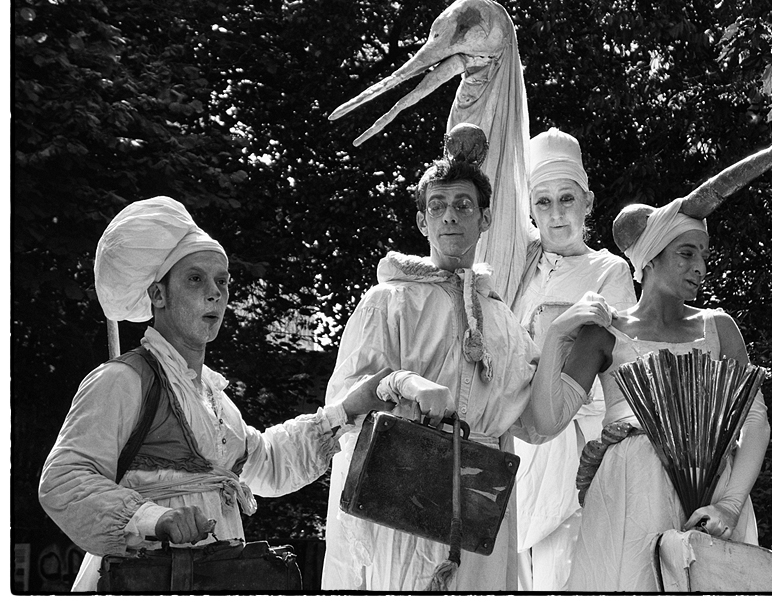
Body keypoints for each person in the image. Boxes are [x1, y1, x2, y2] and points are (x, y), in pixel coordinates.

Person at [37, 196, 409, 592]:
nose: (215, 293)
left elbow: (266, 462)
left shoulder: (214, 399)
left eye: (223, 280)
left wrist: (350, 408)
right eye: (195, 278)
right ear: (158, 295)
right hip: (144, 584)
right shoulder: (124, 380)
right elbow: (63, 480)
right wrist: (154, 519)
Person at [319, 147, 610, 592]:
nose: (450, 217)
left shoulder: (502, 321)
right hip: (402, 502)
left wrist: (560, 338)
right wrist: (407, 389)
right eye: (438, 207)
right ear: (423, 223)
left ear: (485, 219)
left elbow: (537, 423)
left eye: (462, 205)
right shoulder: (388, 302)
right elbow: (347, 402)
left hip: (479, 506)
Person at [529, 197, 771, 591]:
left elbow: (756, 423)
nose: (700, 267)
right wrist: (558, 332)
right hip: (629, 495)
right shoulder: (605, 331)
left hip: (712, 495)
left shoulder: (719, 328)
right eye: (686, 253)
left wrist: (730, 503)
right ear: (650, 259)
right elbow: (546, 422)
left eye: (705, 256)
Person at [509, 128, 636, 591]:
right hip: (516, 448)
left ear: (589, 201)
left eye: (567, 199)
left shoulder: (610, 271)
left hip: (576, 449)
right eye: (543, 202)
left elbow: (619, 370)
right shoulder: (519, 268)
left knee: (565, 577)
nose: (557, 213)